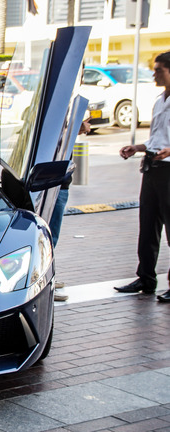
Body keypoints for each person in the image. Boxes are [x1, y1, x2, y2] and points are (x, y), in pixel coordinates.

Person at [114, 51, 170, 302]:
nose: (155, 73)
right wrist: (138, 148)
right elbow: (157, 138)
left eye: (159, 69)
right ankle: (146, 279)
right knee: (147, 227)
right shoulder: (160, 100)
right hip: (152, 169)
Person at [50, 119, 91, 302]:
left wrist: (74, 130)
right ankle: (45, 283)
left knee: (53, 236)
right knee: (48, 237)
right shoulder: (53, 112)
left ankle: (47, 278)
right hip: (50, 183)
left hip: (60, 184)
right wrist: (72, 130)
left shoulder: (65, 111)